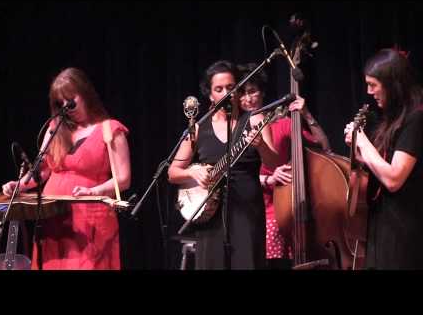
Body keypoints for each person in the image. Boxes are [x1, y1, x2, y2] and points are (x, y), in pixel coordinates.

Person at [2, 67, 131, 270]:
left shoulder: (110, 129)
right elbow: (42, 169)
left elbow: (123, 179)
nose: (66, 106)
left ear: (85, 93)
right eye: (60, 103)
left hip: (90, 221)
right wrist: (20, 185)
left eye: (70, 99)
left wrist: (93, 191)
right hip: (53, 220)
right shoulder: (55, 129)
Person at [168, 60, 279, 270]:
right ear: (210, 95)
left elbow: (273, 163)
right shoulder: (198, 129)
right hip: (209, 214)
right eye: (219, 89)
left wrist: (261, 146)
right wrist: (196, 172)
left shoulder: (255, 119)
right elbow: (172, 172)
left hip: (247, 213)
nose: (226, 93)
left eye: (230, 87)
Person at [238, 63, 331, 269]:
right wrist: (268, 179)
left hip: (283, 207)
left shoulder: (283, 124)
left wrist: (306, 113)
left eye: (252, 92)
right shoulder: (234, 132)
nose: (247, 99)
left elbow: (324, 146)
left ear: (262, 92)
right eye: (242, 94)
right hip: (248, 206)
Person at [344, 48, 423, 269]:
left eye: (373, 85)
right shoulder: (392, 117)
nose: (369, 91)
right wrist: (359, 153)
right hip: (381, 224)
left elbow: (394, 179)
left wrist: (362, 141)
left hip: (404, 229)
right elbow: (379, 169)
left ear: (392, 84)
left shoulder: (416, 118)